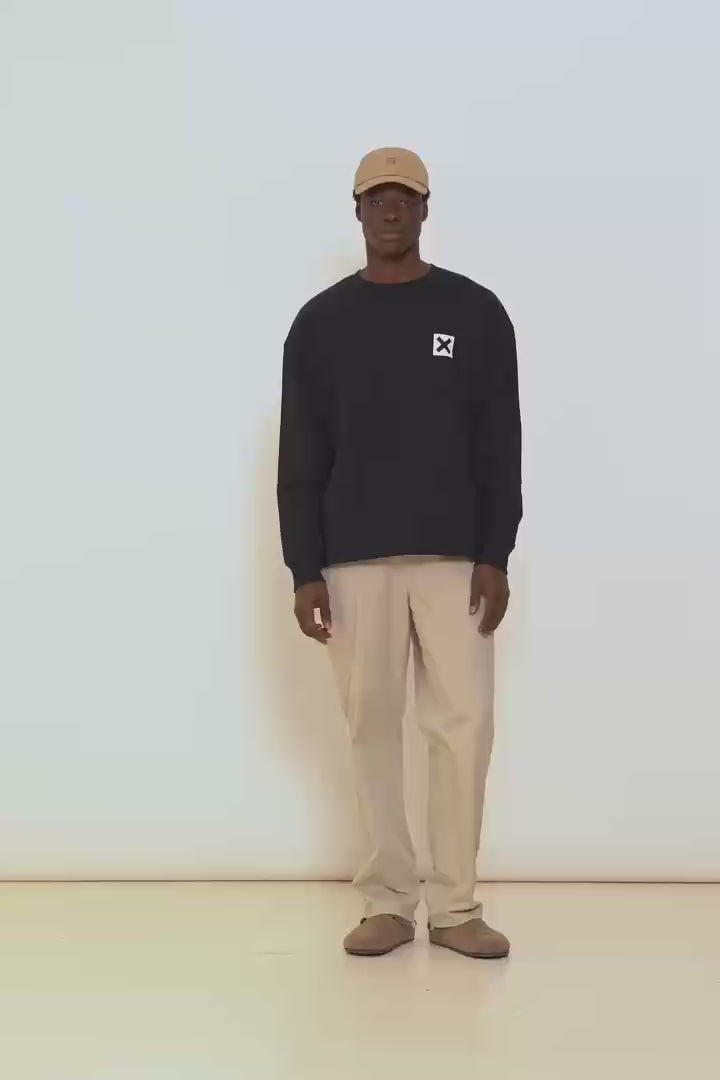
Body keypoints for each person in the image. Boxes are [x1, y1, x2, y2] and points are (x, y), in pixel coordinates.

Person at [277, 147, 522, 958]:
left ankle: (455, 908)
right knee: (371, 727)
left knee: (465, 726)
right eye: (376, 197)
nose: (390, 210)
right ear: (356, 210)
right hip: (352, 559)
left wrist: (496, 551)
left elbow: (499, 442)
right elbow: (302, 451)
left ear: (425, 208)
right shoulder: (319, 324)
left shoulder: (475, 313)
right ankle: (387, 900)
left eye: (404, 197)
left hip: (455, 556)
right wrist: (304, 567)